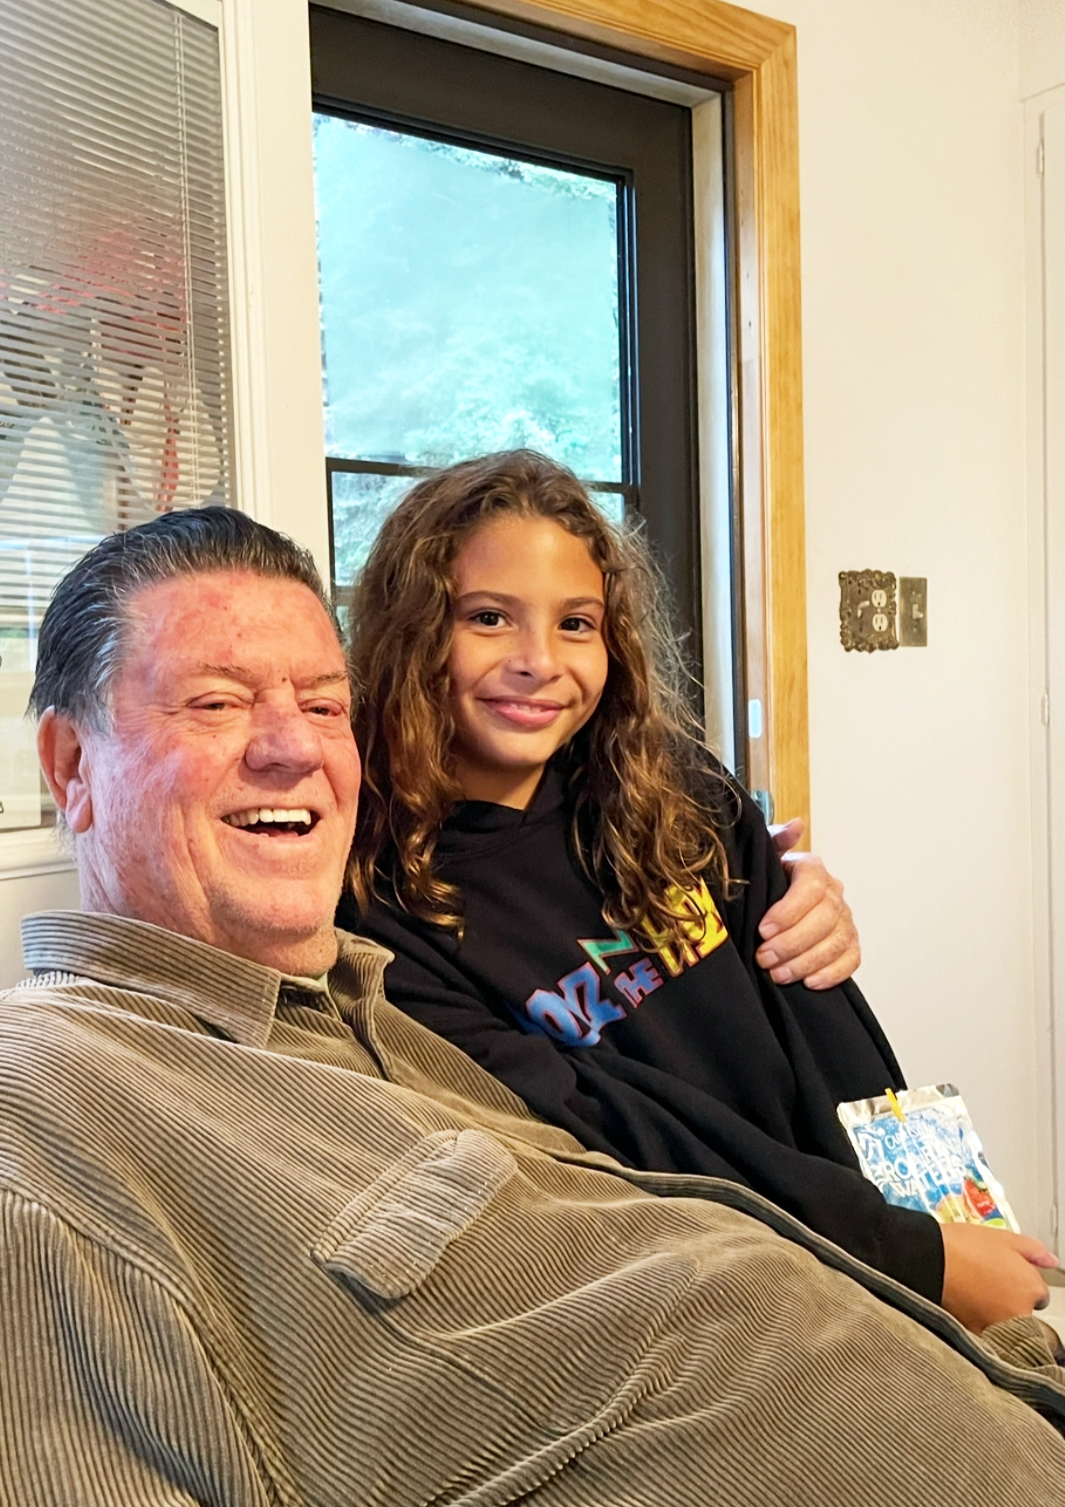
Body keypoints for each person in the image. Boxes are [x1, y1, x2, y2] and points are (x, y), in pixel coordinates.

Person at [0, 506, 1065, 1505]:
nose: (291, 748)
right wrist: (917, 1253)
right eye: (216, 703)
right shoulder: (28, 1105)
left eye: (323, 706)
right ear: (71, 767)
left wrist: (950, 1250)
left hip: (987, 1368)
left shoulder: (361, 998)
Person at [338, 449, 1055, 1332]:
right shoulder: (383, 907)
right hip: (728, 1300)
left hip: (892, 1243)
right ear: (412, 631)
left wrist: (939, 1214)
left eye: (576, 623)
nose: (538, 660)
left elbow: (828, 1025)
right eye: (488, 617)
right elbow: (611, 1145)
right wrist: (902, 1252)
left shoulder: (674, 791)